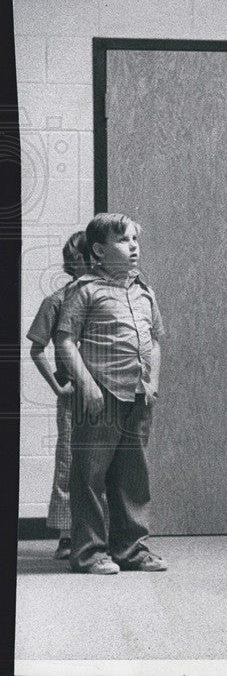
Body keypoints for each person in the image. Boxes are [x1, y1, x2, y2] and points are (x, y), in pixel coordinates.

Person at [55, 213, 166, 574]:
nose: (133, 246)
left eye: (135, 239)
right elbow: (65, 340)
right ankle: (89, 552)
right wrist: (86, 384)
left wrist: (153, 383)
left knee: (133, 475)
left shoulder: (143, 291)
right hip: (100, 394)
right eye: (123, 240)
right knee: (89, 475)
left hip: (137, 395)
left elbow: (155, 341)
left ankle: (132, 549)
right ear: (100, 251)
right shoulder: (85, 289)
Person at [26, 231, 89, 560]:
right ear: (74, 261)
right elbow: (37, 349)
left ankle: (99, 532)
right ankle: (67, 534)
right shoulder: (57, 301)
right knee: (68, 461)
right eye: (83, 256)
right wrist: (58, 387)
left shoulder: (107, 298)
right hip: (73, 394)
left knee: (102, 461)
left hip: (105, 394)